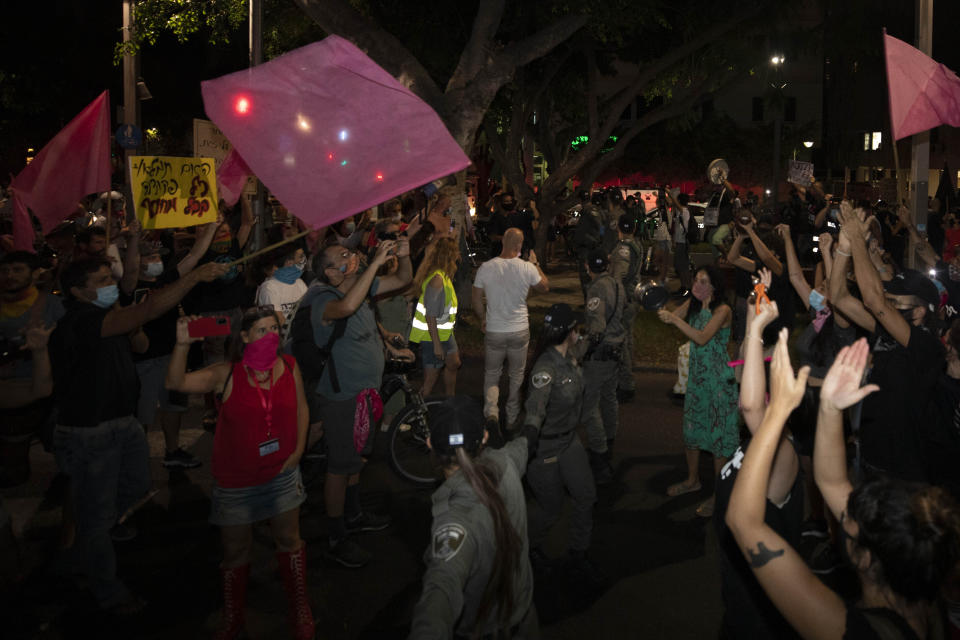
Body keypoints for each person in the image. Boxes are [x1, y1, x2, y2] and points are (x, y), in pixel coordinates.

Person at [726, 331, 958, 640]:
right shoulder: (928, 607)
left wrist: (777, 413)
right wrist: (831, 408)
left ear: (865, 558)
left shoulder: (848, 630)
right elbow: (832, 480)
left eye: (849, 519)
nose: (844, 511)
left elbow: (743, 522)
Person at [49, 256, 227, 613]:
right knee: (97, 516)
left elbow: (140, 343)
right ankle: (106, 589)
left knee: (135, 486)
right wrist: (193, 277)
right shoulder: (81, 322)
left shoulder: (106, 319)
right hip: (91, 431)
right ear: (77, 291)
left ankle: (84, 547)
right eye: (100, 280)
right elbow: (147, 310)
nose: (109, 284)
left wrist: (136, 328)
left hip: (122, 423)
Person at [166, 308, 314, 640]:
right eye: (261, 330)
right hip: (237, 483)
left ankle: (300, 608)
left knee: (289, 541)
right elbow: (175, 383)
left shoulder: (290, 366)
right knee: (236, 552)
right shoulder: (225, 374)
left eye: (274, 328)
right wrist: (182, 345)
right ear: (244, 337)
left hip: (282, 476)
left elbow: (302, 407)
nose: (271, 335)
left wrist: (298, 450)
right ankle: (233, 617)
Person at [308, 237, 412, 567]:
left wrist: (405, 256)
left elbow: (403, 280)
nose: (351, 257)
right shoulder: (321, 298)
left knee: (355, 461)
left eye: (350, 252)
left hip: (366, 393)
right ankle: (337, 536)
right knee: (339, 467)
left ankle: (353, 515)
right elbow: (347, 308)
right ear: (329, 271)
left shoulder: (361, 288)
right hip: (342, 396)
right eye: (342, 256)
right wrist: (375, 264)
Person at [829, 201, 945, 481]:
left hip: (902, 470)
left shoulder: (927, 345)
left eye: (899, 297)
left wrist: (857, 236)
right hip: (870, 455)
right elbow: (839, 299)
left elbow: (873, 299)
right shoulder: (887, 329)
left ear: (920, 309)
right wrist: (844, 247)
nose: (890, 298)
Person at [408, 396, 537, 639]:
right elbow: (526, 441)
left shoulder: (455, 522)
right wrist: (533, 417)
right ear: (484, 438)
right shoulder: (507, 462)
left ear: (430, 444)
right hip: (525, 621)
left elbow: (441, 590)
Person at [714, 300, 803, 639]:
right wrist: (753, 317)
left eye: (746, 370)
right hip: (739, 597)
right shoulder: (752, 445)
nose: (738, 373)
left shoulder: (783, 455)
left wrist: (754, 331)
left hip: (762, 616)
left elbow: (749, 405)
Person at [119, 223, 218, 469]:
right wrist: (132, 241)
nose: (156, 260)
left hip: (173, 354)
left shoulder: (168, 279)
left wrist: (213, 227)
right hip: (144, 361)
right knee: (142, 412)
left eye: (157, 256)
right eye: (149, 256)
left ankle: (172, 450)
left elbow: (194, 255)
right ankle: (135, 455)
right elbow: (130, 271)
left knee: (174, 406)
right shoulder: (130, 288)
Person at [522, 303, 601, 580]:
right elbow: (535, 408)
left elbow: (587, 342)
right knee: (550, 507)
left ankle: (578, 553)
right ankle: (526, 550)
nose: (578, 334)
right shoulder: (546, 368)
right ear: (568, 333)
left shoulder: (570, 354)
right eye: (576, 330)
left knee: (586, 495)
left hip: (569, 441)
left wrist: (595, 335)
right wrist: (528, 439)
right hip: (545, 446)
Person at [658, 264, 738, 517]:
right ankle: (693, 481)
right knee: (692, 430)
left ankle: (719, 494)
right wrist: (666, 313)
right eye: (695, 280)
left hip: (717, 383)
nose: (697, 285)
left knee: (717, 439)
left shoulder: (723, 310)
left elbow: (702, 337)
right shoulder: (694, 302)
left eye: (703, 282)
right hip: (697, 380)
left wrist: (673, 319)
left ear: (714, 286)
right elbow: (675, 317)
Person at [473, 227, 549, 435]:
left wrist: (483, 319)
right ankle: (512, 417)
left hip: (495, 329)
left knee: (492, 374)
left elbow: (476, 300)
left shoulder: (486, 268)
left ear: (503, 242)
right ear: (519, 245)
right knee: (516, 375)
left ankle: (491, 412)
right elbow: (544, 286)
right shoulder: (526, 268)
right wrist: (536, 264)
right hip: (519, 329)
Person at [580, 249, 627, 485]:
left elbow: (596, 325)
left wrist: (583, 350)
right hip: (617, 350)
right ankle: (609, 443)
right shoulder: (617, 284)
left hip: (600, 353)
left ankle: (599, 456)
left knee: (588, 405)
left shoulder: (596, 288)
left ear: (589, 267)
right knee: (609, 399)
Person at [408, 237, 461, 397]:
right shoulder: (437, 280)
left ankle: (449, 400)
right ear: (449, 255)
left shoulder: (444, 276)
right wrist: (437, 345)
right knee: (429, 381)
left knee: (454, 363)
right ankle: (416, 414)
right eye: (456, 252)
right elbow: (430, 315)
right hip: (433, 337)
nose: (459, 255)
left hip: (444, 334)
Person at [609, 213, 644, 401]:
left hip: (625, 298)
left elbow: (619, 277)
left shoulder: (623, 248)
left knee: (620, 340)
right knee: (628, 337)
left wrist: (615, 298)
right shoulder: (637, 244)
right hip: (634, 296)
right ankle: (629, 372)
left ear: (619, 229)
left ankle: (626, 383)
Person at [255, 243, 308, 322]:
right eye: (300, 256)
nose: (304, 259)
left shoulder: (299, 283)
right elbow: (278, 322)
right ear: (289, 262)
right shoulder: (269, 288)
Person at [664, 190, 692, 295]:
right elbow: (671, 203)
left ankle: (688, 288)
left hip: (683, 243)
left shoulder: (685, 211)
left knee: (683, 266)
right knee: (679, 266)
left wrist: (669, 192)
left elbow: (674, 202)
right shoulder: (680, 211)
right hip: (679, 242)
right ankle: (684, 286)